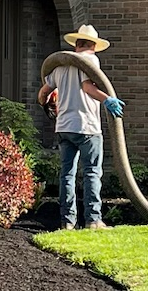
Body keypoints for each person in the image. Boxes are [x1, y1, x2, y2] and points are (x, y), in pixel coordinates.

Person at [38, 24, 124, 230]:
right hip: (87, 127)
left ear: (77, 44)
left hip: (64, 127)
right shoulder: (91, 61)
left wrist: (48, 105)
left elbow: (43, 93)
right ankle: (93, 220)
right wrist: (108, 100)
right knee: (92, 172)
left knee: (67, 174)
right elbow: (87, 87)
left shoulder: (59, 67)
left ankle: (67, 222)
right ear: (93, 46)